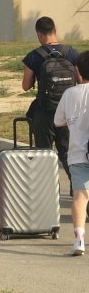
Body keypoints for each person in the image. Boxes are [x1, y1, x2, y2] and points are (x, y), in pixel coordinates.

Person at [22, 16, 80, 184]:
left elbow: (26, 85)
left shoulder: (33, 56)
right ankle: (78, 190)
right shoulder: (72, 53)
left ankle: (46, 190)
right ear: (55, 31)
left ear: (39, 34)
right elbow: (81, 80)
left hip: (45, 112)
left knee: (44, 153)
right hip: (69, 111)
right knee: (67, 152)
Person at [52, 50, 89, 256]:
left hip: (77, 154)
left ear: (78, 72)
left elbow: (58, 121)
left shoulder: (70, 94)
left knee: (80, 197)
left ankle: (79, 239)